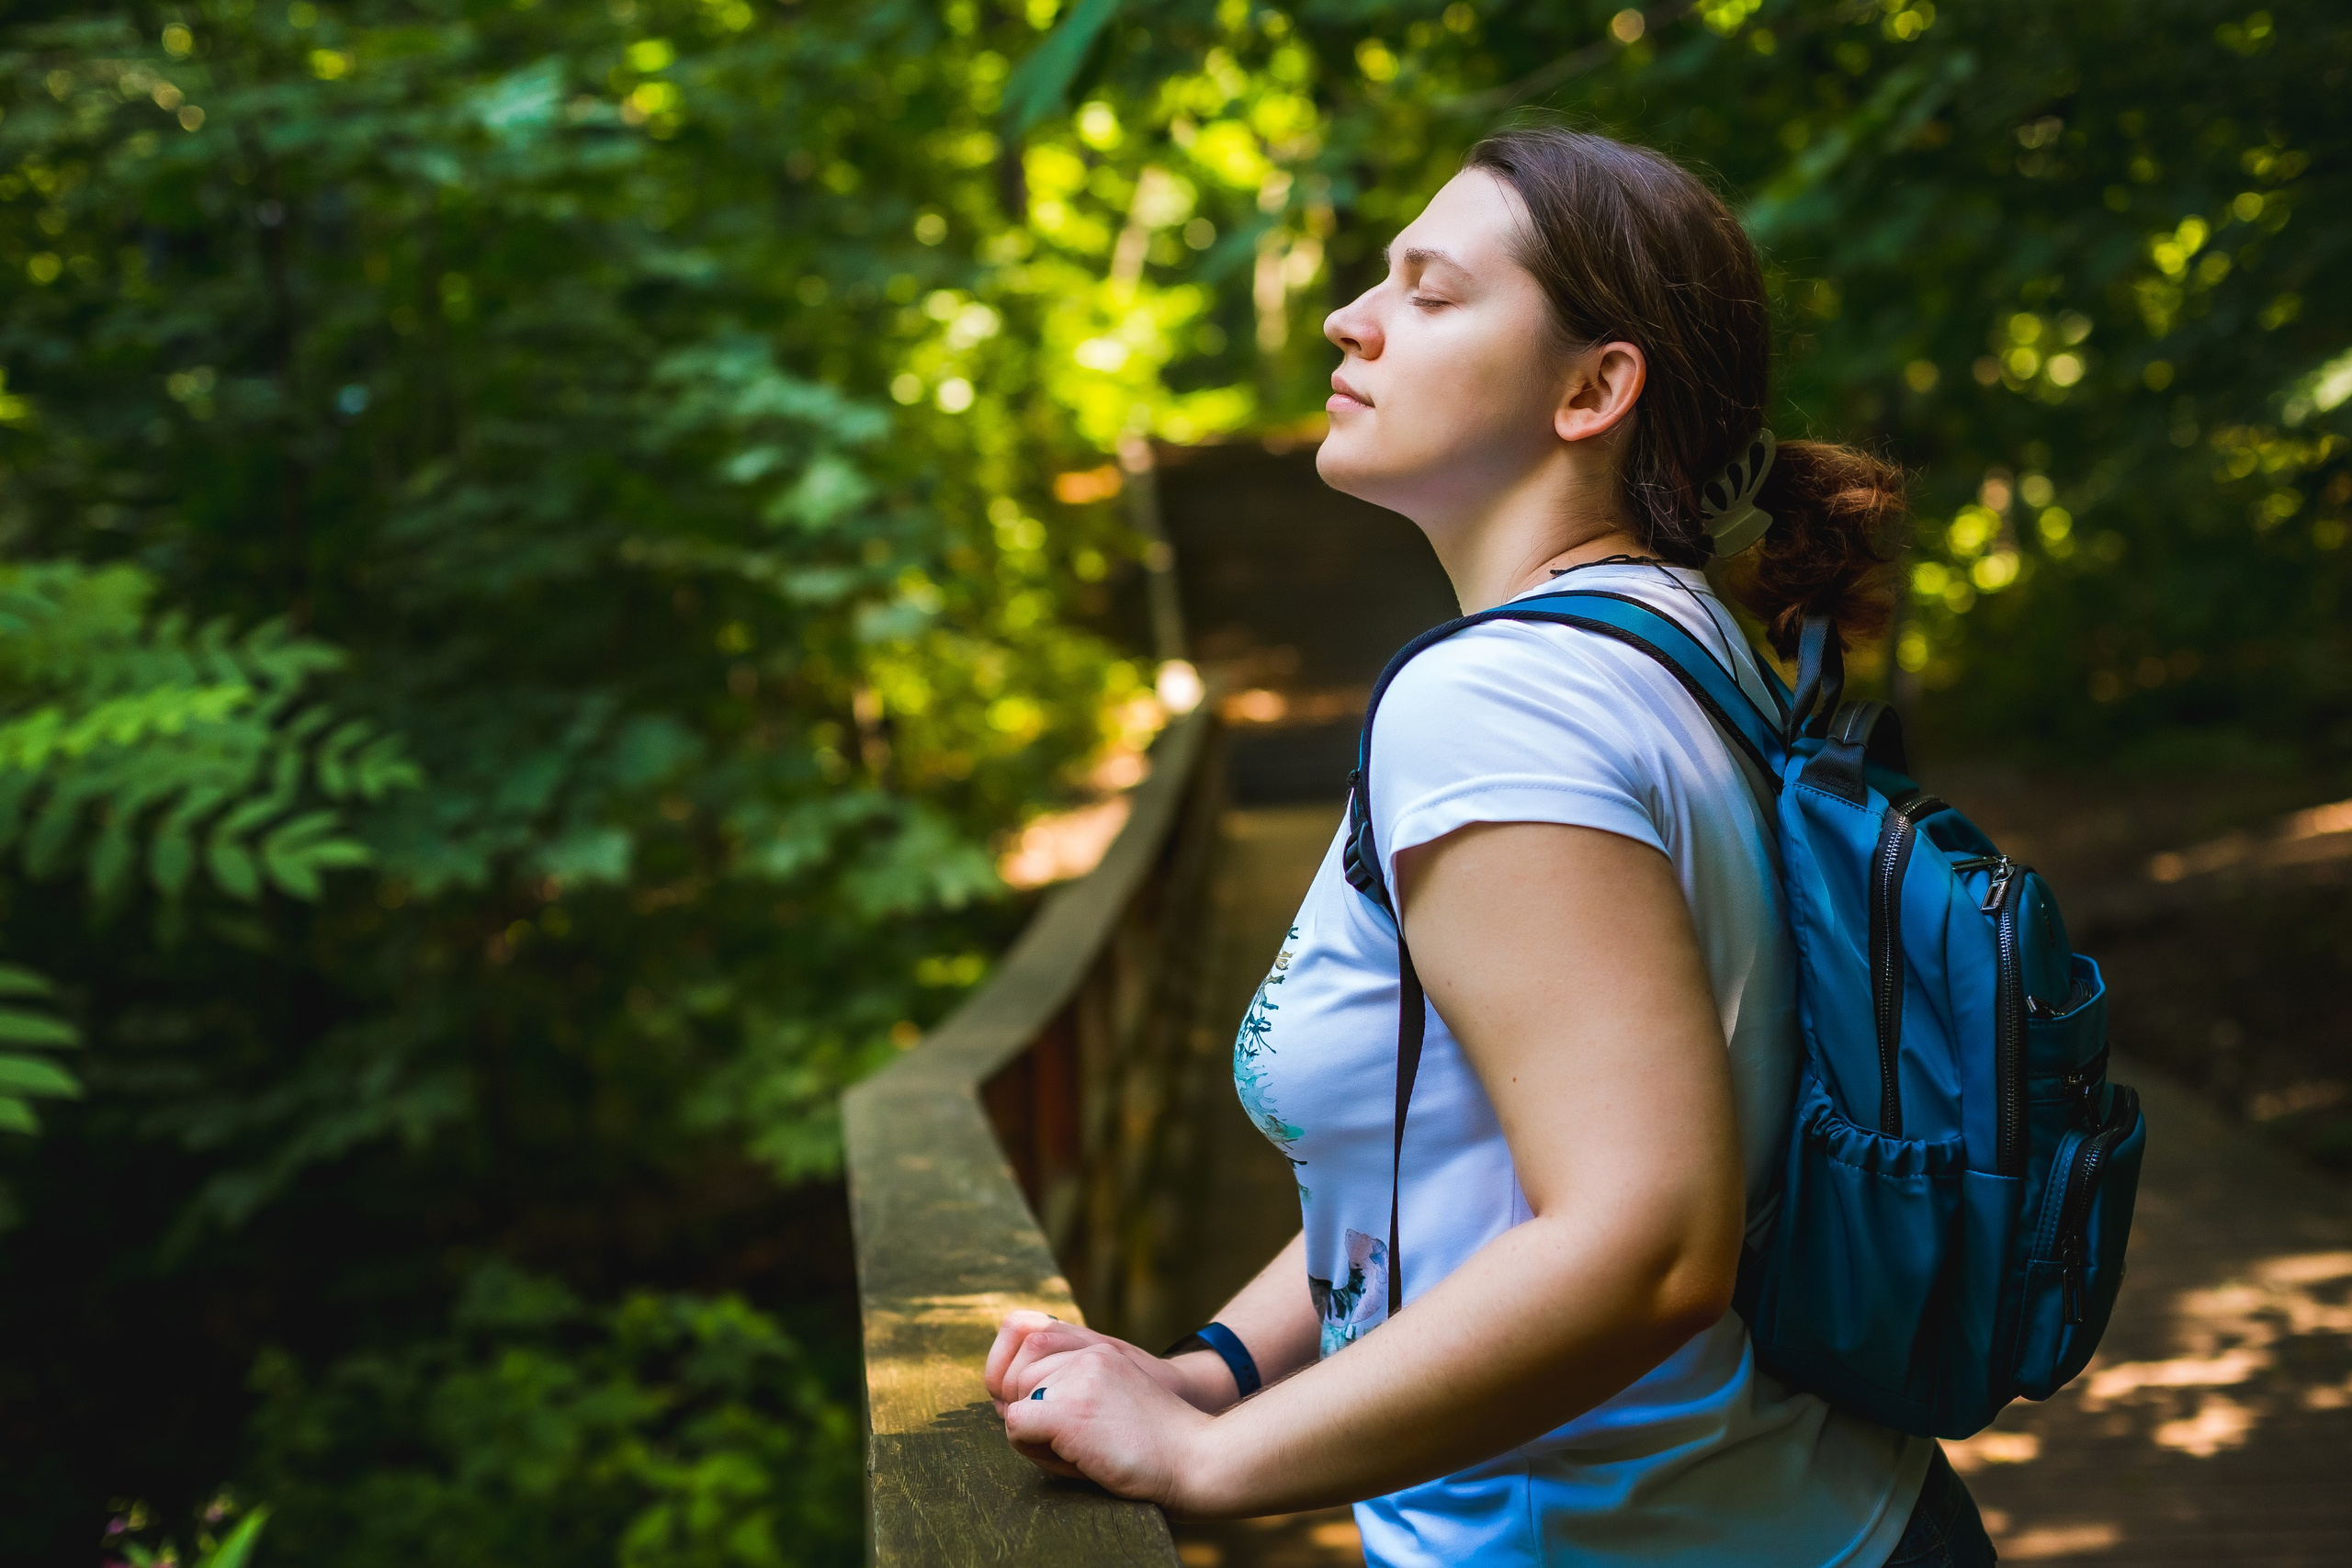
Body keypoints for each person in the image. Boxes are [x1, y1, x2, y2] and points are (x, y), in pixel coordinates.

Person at [985, 124, 1998, 1568]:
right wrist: (1209, 1369)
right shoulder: (1685, 640)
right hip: (1823, 1515)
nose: (1351, 318)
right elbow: (1438, 1169)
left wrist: (1209, 1459)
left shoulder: (1498, 708)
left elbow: (1648, 1242)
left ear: (1593, 390)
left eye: (1430, 291)